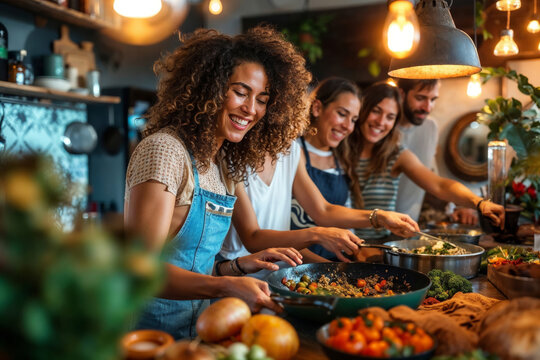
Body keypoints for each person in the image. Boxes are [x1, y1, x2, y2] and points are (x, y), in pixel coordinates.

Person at [123, 26, 311, 339]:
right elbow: (141, 271)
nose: (251, 110)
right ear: (207, 89)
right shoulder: (165, 152)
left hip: (199, 333)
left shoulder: (222, 164)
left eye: (262, 99)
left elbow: (193, 268)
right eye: (240, 92)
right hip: (150, 337)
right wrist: (225, 285)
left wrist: (237, 267)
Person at [220, 78, 420, 266]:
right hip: (237, 276)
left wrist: (380, 217)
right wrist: (318, 235)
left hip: (279, 274)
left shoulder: (289, 151)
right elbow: (252, 238)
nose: (252, 109)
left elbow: (323, 211)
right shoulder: (229, 156)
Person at [337, 82, 504, 240]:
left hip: (377, 247)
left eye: (390, 117)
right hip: (337, 244)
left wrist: (479, 202)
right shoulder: (338, 151)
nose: (381, 122)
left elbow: (439, 185)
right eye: (376, 111)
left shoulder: (396, 155)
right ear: (362, 110)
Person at [395, 78, 478, 224]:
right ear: (401, 94)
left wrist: (457, 206)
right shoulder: (382, 127)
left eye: (433, 99)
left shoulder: (431, 127)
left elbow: (432, 177)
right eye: (420, 98)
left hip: (410, 223)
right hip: (373, 222)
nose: (427, 107)